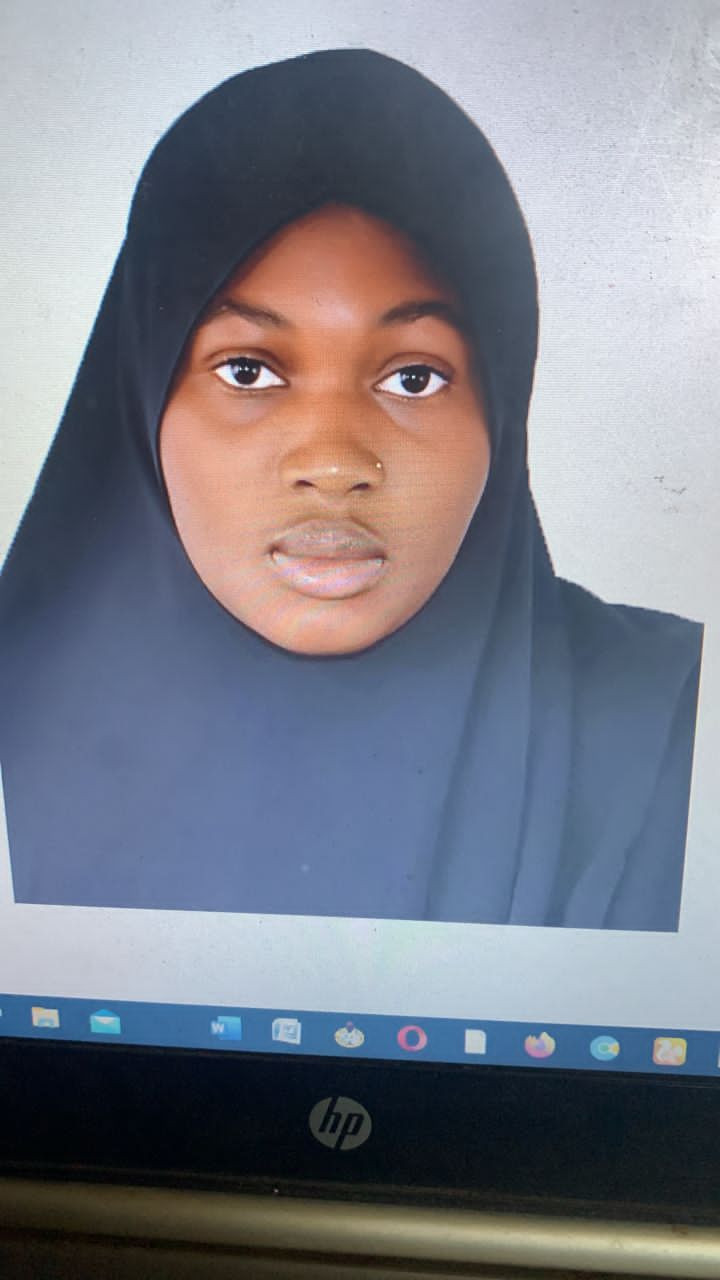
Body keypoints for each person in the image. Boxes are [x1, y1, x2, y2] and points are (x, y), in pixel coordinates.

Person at [0, 48, 702, 927]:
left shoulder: (675, 723)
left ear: (500, 411)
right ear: (146, 399)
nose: (333, 464)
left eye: (413, 377)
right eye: (248, 370)